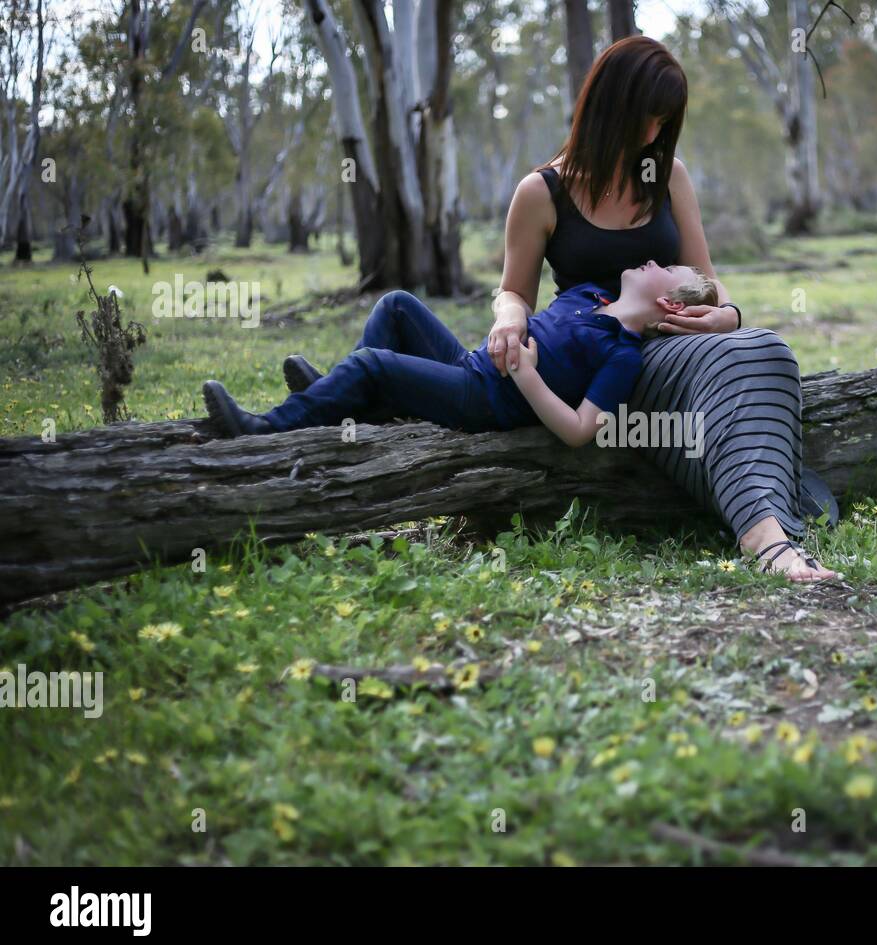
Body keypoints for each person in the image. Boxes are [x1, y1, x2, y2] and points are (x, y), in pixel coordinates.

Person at [488, 34, 837, 581]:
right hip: (607, 359)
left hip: (684, 347)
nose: (653, 134)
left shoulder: (668, 176)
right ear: (608, 105)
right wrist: (510, 314)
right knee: (732, 365)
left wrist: (729, 316)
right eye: (645, 117)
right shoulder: (542, 191)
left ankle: (762, 516)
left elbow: (708, 283)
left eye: (664, 121)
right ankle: (768, 539)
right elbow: (514, 290)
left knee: (768, 349)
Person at [201, 262, 718, 448]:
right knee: (397, 305)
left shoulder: (623, 353)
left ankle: (262, 430)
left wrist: (527, 376)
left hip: (486, 400)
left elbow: (581, 431)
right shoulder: (589, 294)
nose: (652, 259)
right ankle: (334, 395)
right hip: (469, 363)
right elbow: (515, 302)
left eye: (664, 267)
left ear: (668, 301)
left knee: (370, 365)